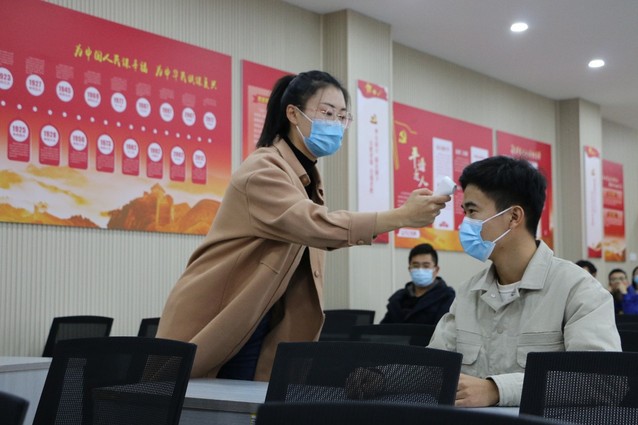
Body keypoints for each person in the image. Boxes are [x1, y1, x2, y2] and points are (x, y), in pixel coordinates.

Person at [156, 70, 450, 381]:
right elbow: (316, 226)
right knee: (205, 400)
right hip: (224, 315)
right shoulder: (263, 170)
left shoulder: (305, 177)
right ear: (293, 114)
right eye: (327, 113)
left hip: (260, 319)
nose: (335, 124)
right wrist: (401, 217)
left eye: (342, 117)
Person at [427, 155, 621, 407]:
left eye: (472, 211)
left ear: (514, 217)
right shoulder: (468, 293)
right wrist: (383, 377)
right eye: (465, 212)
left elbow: (603, 381)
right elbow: (432, 368)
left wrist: (497, 390)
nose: (465, 224)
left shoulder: (577, 289)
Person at [380, 243, 455, 325]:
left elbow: (444, 329)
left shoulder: (447, 297)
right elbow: (383, 329)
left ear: (436, 270)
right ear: (409, 269)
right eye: (416, 266)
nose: (420, 270)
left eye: (426, 266)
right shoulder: (398, 298)